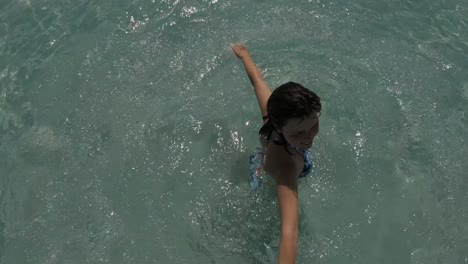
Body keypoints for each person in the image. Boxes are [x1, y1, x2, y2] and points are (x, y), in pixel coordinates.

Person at [231, 43, 321, 264]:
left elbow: (258, 81)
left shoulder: (270, 118)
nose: (309, 136)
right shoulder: (287, 169)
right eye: (299, 132)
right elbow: (289, 233)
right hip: (274, 173)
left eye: (313, 126)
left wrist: (244, 55)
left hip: (264, 157)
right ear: (280, 127)